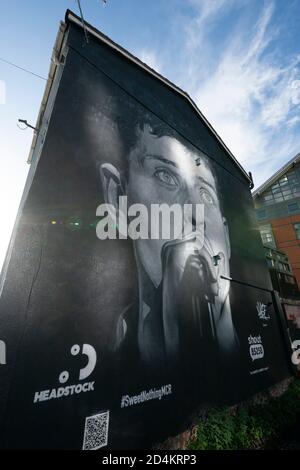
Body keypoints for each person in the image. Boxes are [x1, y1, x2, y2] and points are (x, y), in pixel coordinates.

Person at [99, 111, 239, 403]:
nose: (194, 212)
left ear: (225, 236)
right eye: (165, 175)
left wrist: (226, 328)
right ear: (118, 199)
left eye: (206, 195)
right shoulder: (106, 361)